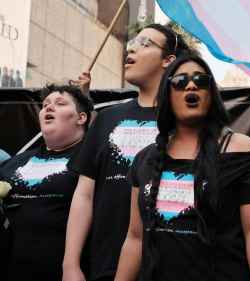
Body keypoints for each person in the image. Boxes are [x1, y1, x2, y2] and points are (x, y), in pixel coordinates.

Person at [114, 54, 250, 281]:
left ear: (211, 94)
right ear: (167, 95)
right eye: (180, 82)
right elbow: (135, 237)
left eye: (201, 81)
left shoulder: (240, 150)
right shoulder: (145, 159)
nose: (191, 85)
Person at [62, 23, 192, 281]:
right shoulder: (108, 118)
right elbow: (84, 194)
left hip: (171, 266)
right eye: (132, 42)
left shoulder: (186, 120)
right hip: (105, 264)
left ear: (169, 60)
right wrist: (70, 263)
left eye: (145, 44)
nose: (130, 49)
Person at [0, 84, 93, 280]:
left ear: (81, 118)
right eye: (45, 105)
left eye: (60, 104)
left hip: (66, 271)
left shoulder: (94, 160)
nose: (49, 108)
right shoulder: (14, 162)